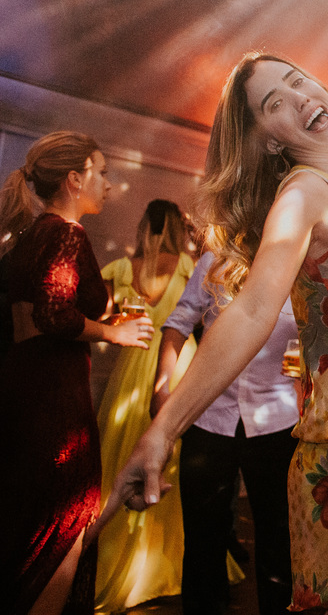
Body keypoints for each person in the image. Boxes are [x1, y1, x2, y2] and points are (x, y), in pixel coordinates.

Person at [103, 52, 328, 613]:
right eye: (275, 102)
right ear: (270, 140)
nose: (300, 98)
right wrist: (162, 431)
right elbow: (250, 312)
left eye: (300, 83)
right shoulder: (304, 194)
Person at [0, 131, 152, 615]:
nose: (108, 183)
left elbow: (30, 315)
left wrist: (102, 321)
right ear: (74, 179)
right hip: (55, 402)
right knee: (59, 525)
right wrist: (114, 334)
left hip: (23, 389)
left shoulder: (29, 233)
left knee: (29, 525)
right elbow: (51, 313)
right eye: (102, 172)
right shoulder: (66, 231)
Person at [155, 249, 299, 615]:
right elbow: (178, 323)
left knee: (278, 543)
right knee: (203, 541)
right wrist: (162, 390)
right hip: (208, 415)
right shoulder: (214, 261)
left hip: (277, 422)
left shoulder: (296, 264)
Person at [93, 198, 203, 611]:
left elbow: (104, 319)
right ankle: (167, 558)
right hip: (177, 364)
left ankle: (109, 544)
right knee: (174, 460)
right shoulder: (189, 268)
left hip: (135, 358)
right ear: (177, 227)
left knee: (122, 452)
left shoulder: (123, 269)